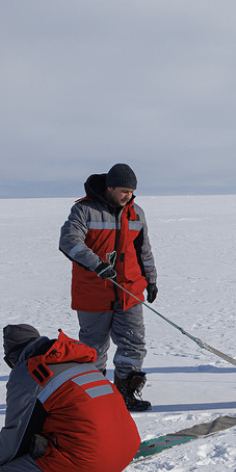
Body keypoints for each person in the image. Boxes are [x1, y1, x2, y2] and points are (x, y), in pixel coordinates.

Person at [0, 324, 141, 472]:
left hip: (90, 460)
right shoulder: (79, 361)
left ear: (13, 357)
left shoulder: (29, 372)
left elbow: (15, 433)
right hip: (125, 452)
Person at [59, 163, 158, 411]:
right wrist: (97, 264)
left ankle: (126, 392)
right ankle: (96, 397)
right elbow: (69, 241)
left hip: (130, 290)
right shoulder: (84, 210)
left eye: (132, 191)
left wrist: (152, 280)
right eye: (124, 191)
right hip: (94, 292)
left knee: (134, 343)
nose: (129, 196)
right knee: (93, 348)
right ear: (110, 187)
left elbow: (143, 250)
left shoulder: (136, 213)